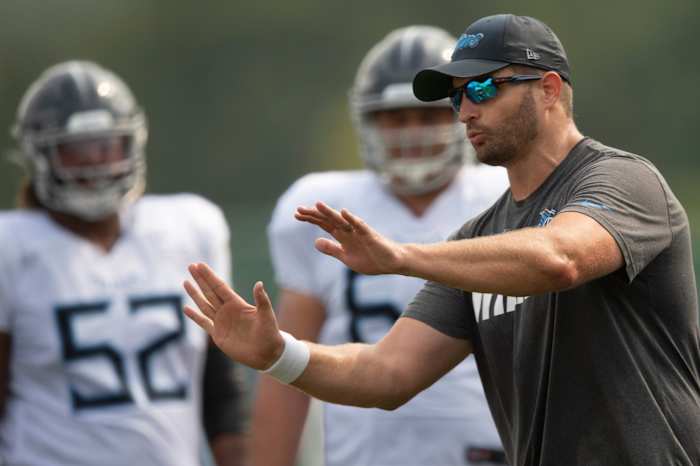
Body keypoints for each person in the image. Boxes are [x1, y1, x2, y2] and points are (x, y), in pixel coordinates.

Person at [183, 14, 700, 466]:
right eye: (457, 96)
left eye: (481, 89)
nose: (464, 112)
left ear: (547, 89)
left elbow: (559, 257)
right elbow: (386, 374)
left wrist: (404, 258)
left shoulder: (623, 181)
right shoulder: (479, 238)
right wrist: (279, 353)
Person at [250, 26, 508, 466]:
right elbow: (285, 363)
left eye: (427, 116)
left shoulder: (504, 194)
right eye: (395, 118)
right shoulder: (321, 204)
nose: (412, 133)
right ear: (368, 123)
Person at [0, 61, 248, 466]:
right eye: (75, 151)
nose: (95, 163)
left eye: (106, 145)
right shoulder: (12, 248)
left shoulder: (189, 227)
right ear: (40, 156)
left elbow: (219, 391)